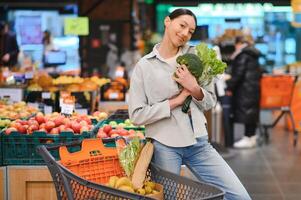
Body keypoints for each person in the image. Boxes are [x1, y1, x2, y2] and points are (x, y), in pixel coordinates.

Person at [128, 8, 251, 200]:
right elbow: (137, 115)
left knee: (240, 196)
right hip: (164, 145)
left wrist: (194, 88)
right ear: (167, 22)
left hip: (198, 143)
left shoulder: (197, 57)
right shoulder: (145, 66)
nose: (185, 33)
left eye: (191, 31)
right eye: (182, 25)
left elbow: (209, 101)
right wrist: (176, 101)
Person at [226, 35, 261, 148]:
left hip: (245, 89)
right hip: (252, 88)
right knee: (251, 112)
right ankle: (251, 137)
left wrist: (229, 86)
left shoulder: (243, 55)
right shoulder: (252, 54)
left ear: (239, 43)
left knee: (248, 112)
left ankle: (248, 138)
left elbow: (238, 74)